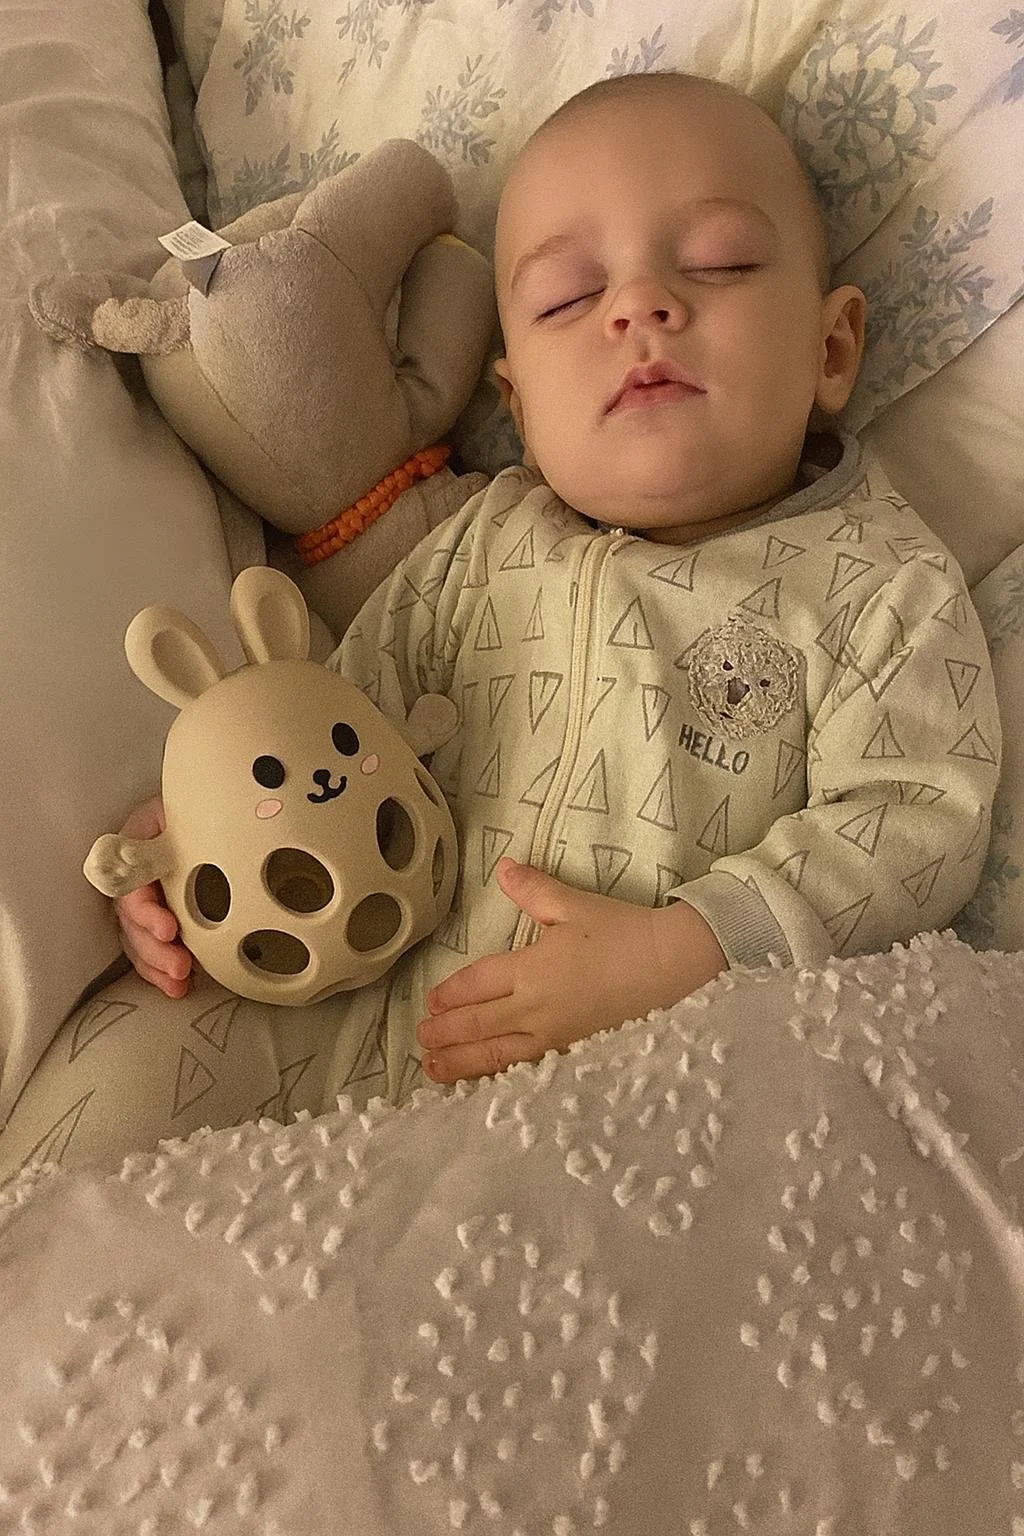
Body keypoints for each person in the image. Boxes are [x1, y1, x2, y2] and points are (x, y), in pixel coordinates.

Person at [97, 72, 1004, 1103]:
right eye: (569, 297)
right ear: (520, 409)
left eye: (720, 261)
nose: (639, 307)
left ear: (831, 348)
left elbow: (919, 818)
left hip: (651, 1087)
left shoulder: (881, 583)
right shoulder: (480, 548)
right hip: (369, 1050)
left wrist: (693, 948)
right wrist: (203, 845)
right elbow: (331, 738)